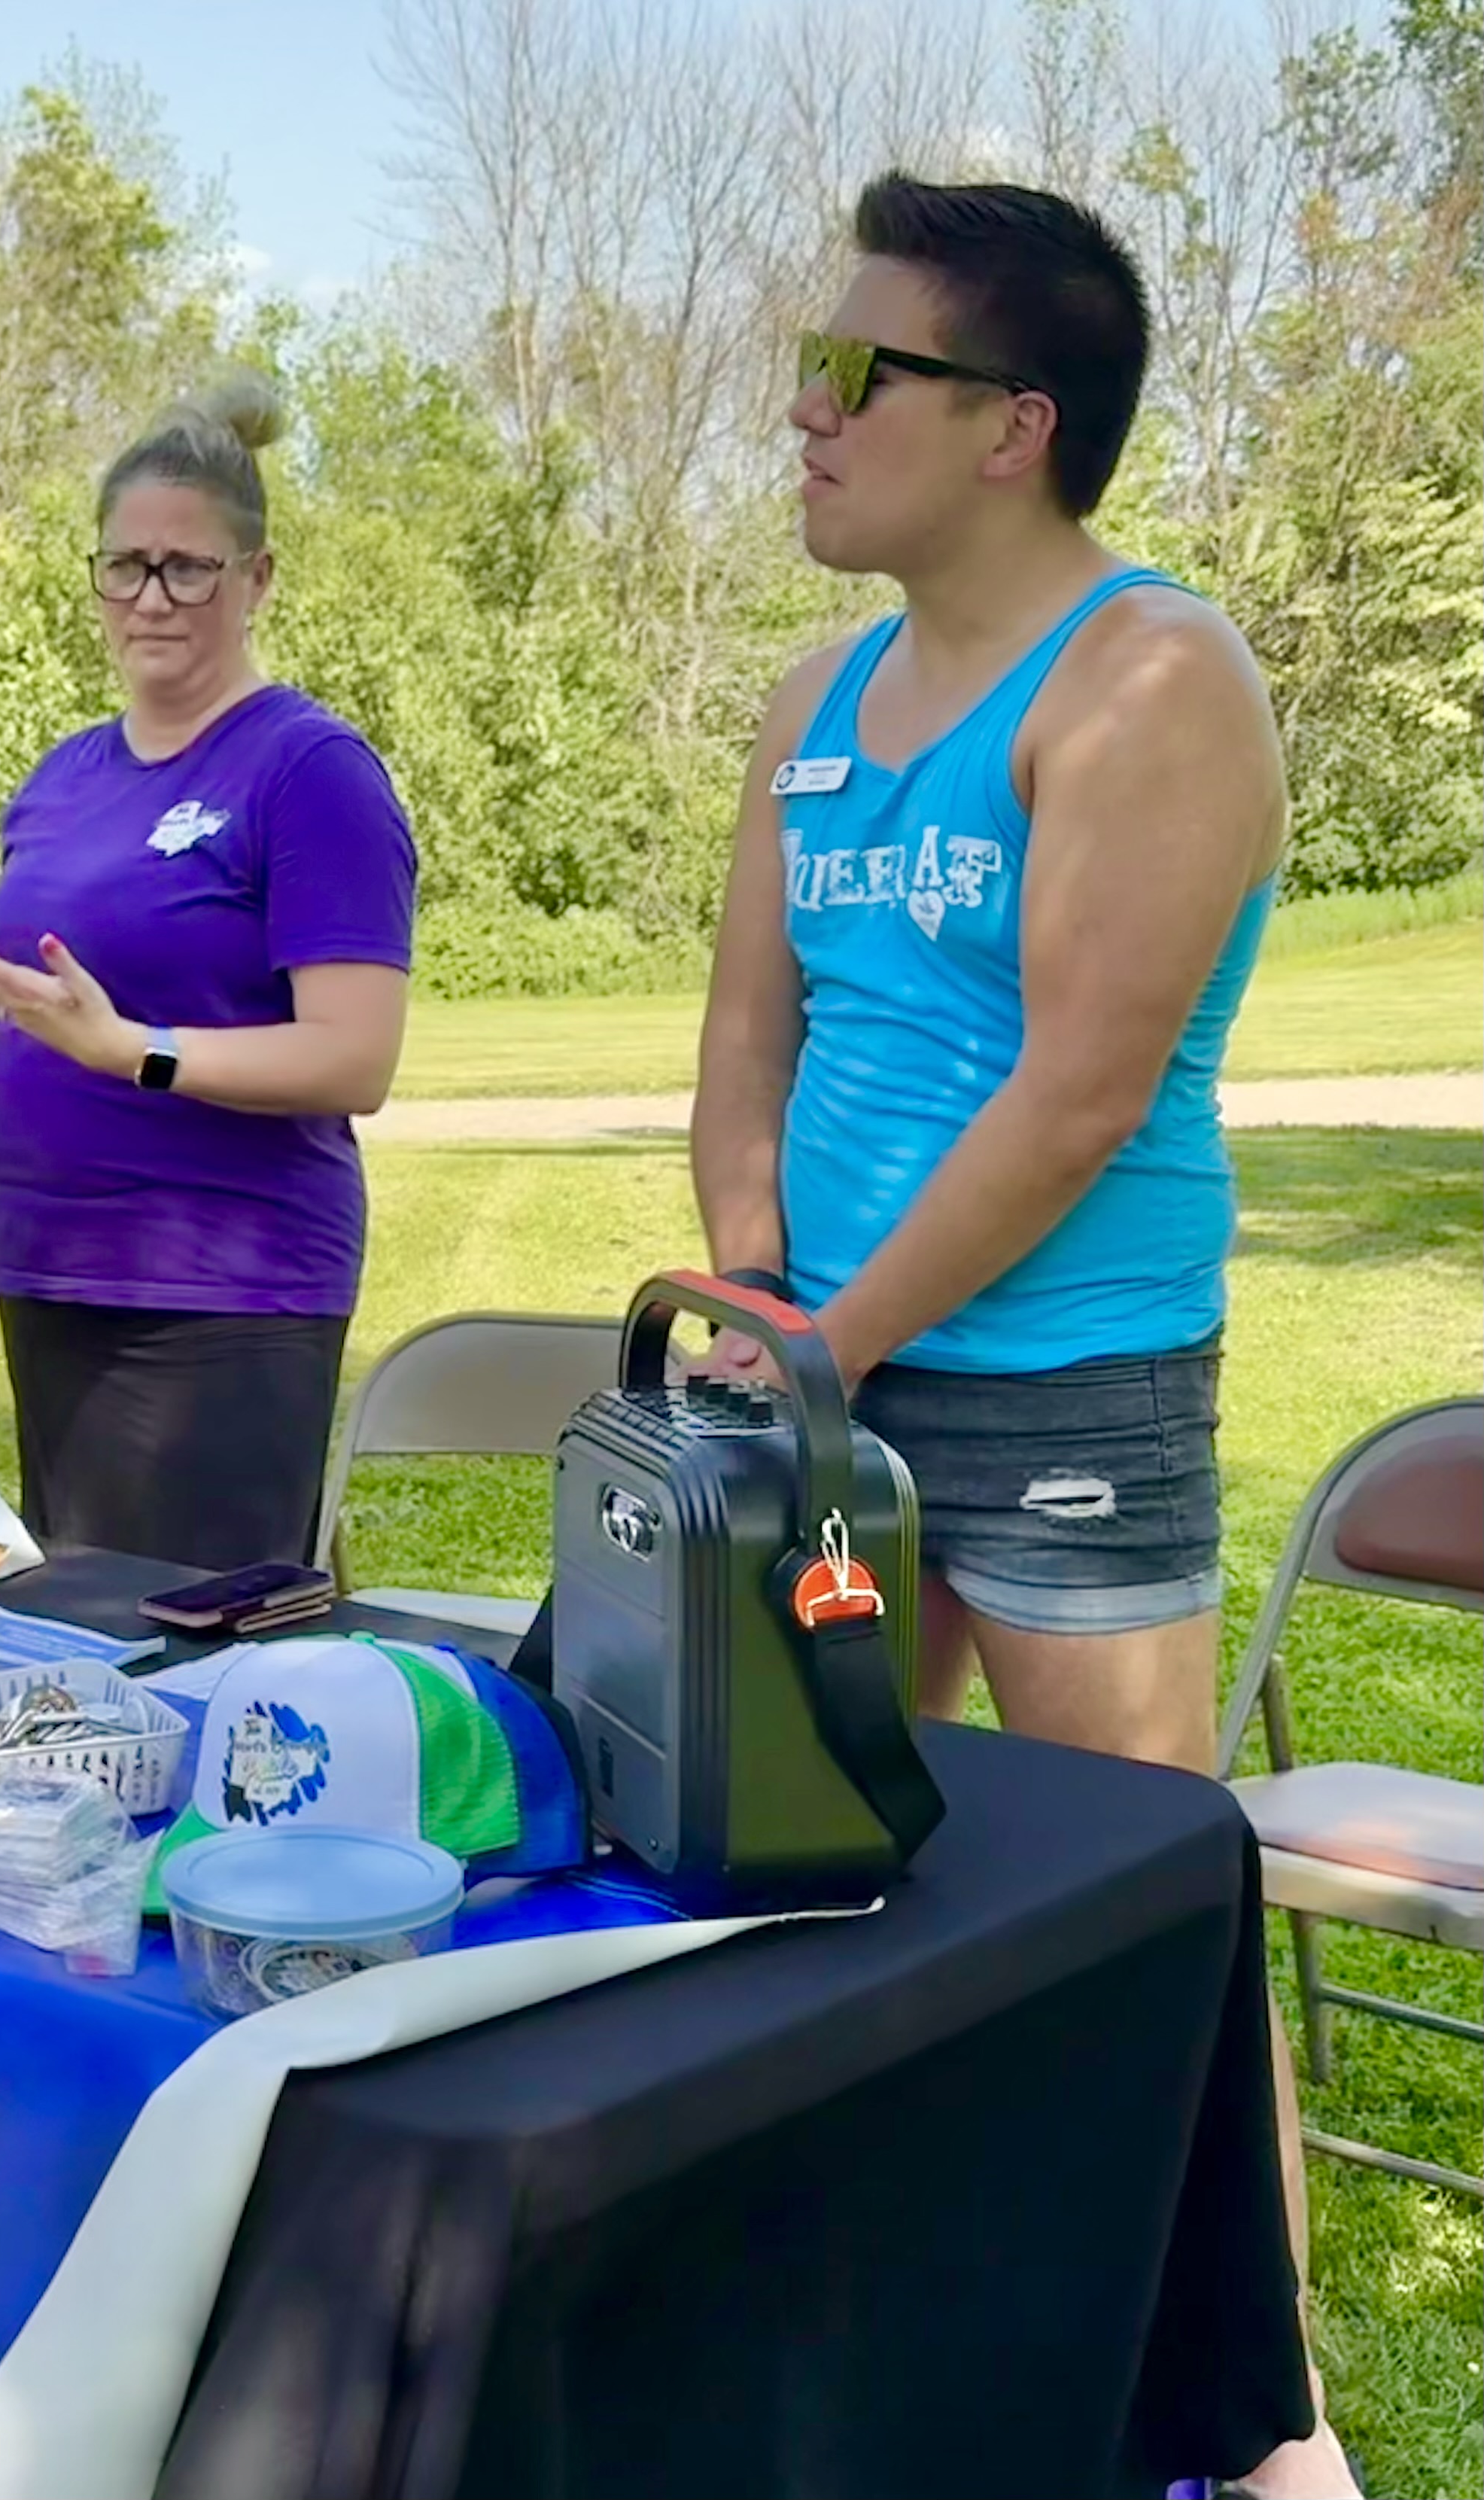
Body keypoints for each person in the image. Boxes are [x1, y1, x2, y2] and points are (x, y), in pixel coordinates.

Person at [691, 175, 1353, 2498]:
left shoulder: (1154, 677)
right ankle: (877, 2359)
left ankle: (1272, 2443)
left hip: (1065, 1387)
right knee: (797, 1873)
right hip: (828, 1378)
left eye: (852, 368)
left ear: (1011, 423)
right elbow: (748, 1028)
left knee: (1139, 1906)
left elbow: (1080, 1093)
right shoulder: (812, 701)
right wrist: (760, 1284)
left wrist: (830, 1341)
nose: (802, 409)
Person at [0, 375, 418, 1571]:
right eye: (126, 566)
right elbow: (32, 1023)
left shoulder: (309, 770)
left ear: (258, 578)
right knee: (84, 1628)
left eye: (189, 568)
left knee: (193, 1640)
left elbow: (354, 1056)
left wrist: (137, 1053)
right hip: (51, 1272)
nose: (152, 597)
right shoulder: (64, 779)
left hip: (221, 1295)